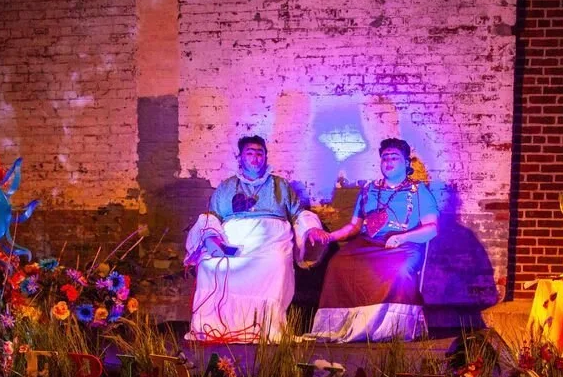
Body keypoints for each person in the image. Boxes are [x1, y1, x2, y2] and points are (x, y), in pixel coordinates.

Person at [185, 136, 325, 342]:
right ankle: (214, 326)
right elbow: (212, 217)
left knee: (276, 262)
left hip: (271, 243)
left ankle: (265, 327)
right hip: (234, 242)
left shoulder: (280, 185)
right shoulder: (226, 187)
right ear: (240, 158)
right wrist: (213, 239)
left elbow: (298, 214)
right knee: (209, 265)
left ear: (265, 157)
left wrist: (311, 229)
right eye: (249, 153)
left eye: (260, 153)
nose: (255, 158)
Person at [308, 139, 438, 342]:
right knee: (337, 264)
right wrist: (329, 237)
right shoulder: (368, 190)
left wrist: (402, 237)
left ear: (406, 162)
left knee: (399, 269)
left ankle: (392, 330)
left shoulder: (418, 190)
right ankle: (346, 327)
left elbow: (432, 228)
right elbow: (354, 227)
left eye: (394, 157)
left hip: (404, 246)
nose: (388, 162)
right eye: (385, 158)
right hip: (368, 244)